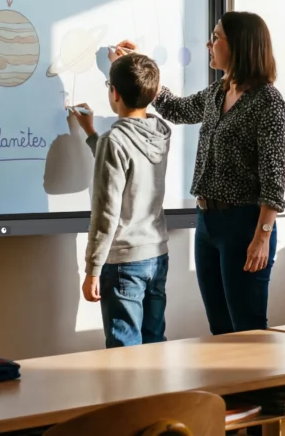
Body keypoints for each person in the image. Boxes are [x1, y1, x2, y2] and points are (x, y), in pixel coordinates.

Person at [111, 11, 285, 335]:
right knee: (221, 329)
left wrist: (262, 237)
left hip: (245, 226)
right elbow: (176, 109)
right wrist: (136, 66)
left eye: (216, 37)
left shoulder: (268, 104)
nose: (209, 43)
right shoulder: (217, 93)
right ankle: (228, 388)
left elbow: (274, 179)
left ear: (239, 46)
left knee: (247, 330)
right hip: (207, 223)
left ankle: (256, 388)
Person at [71, 53, 172, 348]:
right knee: (155, 343)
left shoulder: (113, 141)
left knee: (124, 350)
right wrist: (92, 134)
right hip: (157, 254)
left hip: (125, 262)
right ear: (153, 94)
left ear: (113, 92)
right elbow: (131, 169)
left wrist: (92, 269)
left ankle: (133, 397)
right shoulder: (160, 132)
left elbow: (105, 214)